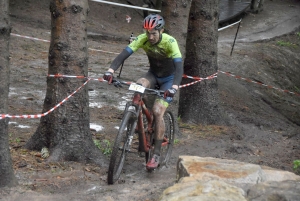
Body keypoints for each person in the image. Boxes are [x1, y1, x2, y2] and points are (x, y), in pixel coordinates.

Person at [103, 14, 183, 170]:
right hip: (152, 75)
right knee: (138, 85)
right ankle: (135, 116)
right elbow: (124, 54)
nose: (150, 36)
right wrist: (111, 70)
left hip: (169, 79)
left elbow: (179, 66)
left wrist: (174, 87)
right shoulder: (142, 39)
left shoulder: (170, 42)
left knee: (158, 111)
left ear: (161, 31)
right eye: (148, 33)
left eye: (154, 33)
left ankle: (157, 154)